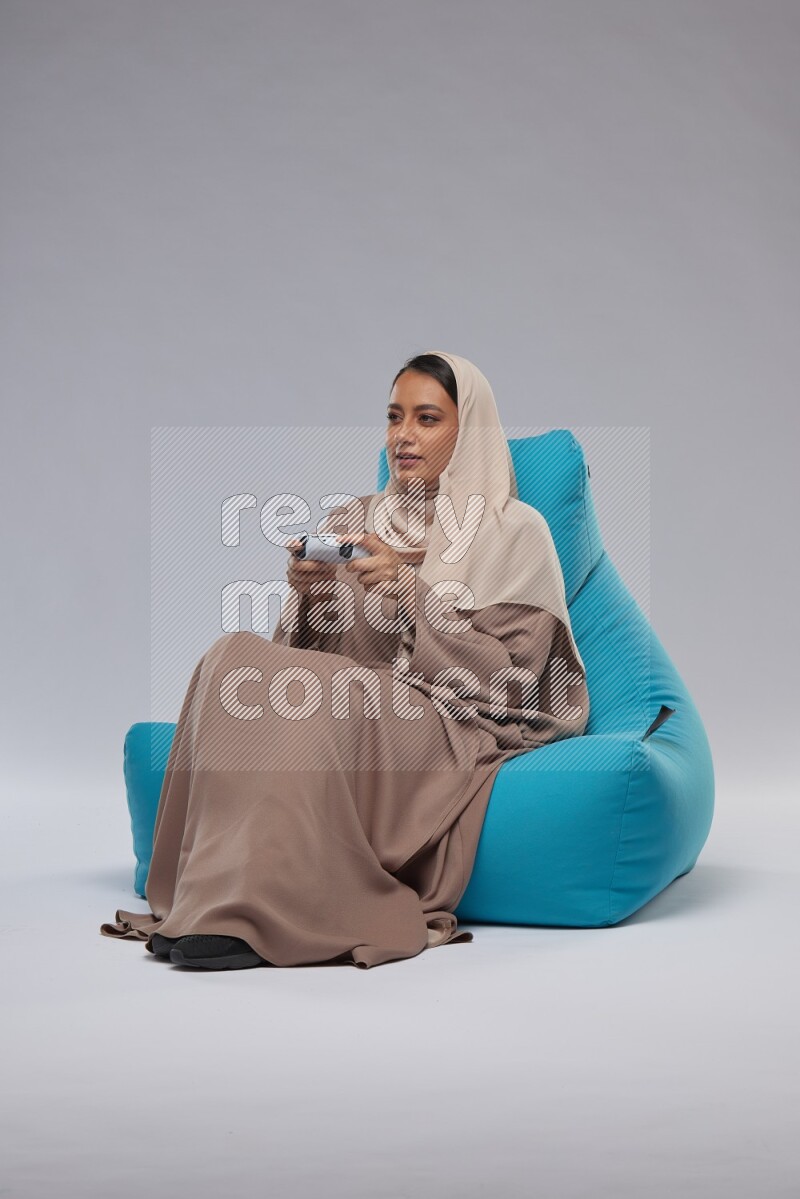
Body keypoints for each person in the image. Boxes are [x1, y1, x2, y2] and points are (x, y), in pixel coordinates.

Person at [100, 350, 590, 970]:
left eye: (427, 419)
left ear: (469, 432)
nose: (403, 436)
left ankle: (259, 915)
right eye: (393, 417)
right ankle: (209, 899)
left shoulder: (513, 529)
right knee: (232, 658)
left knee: (323, 696)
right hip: (362, 700)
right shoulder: (357, 518)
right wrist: (309, 596)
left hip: (448, 718)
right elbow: (305, 658)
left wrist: (410, 596)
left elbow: (520, 681)